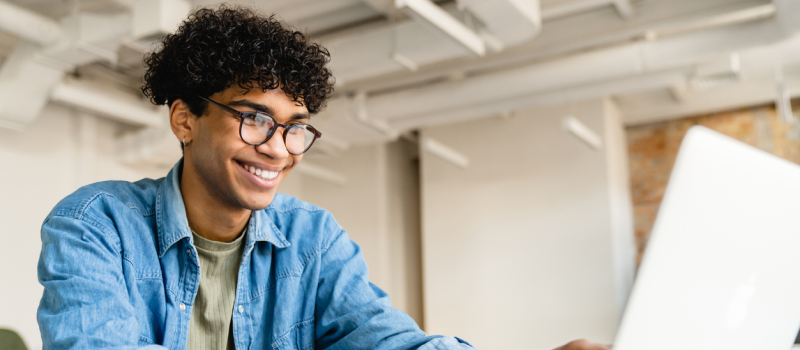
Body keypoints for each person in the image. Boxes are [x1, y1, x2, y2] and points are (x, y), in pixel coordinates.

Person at [36, 5, 610, 350]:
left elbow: (390, 342)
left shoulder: (313, 239)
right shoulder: (96, 224)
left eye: (294, 128)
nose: (279, 150)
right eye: (255, 119)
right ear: (185, 118)